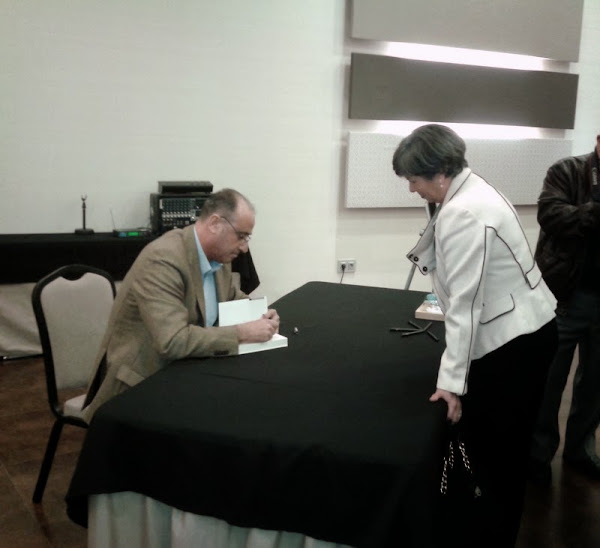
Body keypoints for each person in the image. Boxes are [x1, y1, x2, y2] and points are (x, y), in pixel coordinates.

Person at [392, 124, 558, 547]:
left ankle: (492, 534)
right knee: (506, 448)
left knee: (499, 450)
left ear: (439, 173)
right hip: (528, 330)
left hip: (515, 342)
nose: (411, 189)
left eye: (413, 179)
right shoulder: (471, 189)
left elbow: (466, 307)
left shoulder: (464, 213)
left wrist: (450, 386)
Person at [82, 188, 280, 423]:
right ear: (215, 224)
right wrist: (241, 333)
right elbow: (173, 341)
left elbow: (231, 296)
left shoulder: (218, 257)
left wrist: (260, 314)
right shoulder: (163, 260)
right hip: (140, 387)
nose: (244, 248)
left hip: (184, 374)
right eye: (241, 236)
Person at [529, 133, 600, 486]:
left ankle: (580, 450)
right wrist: (594, 211)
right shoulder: (566, 171)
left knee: (595, 383)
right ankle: (537, 455)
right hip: (564, 294)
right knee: (549, 379)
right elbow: (550, 215)